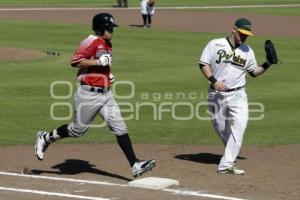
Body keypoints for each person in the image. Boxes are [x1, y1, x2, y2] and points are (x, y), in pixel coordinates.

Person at [35, 13, 156, 178]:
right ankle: (46, 137)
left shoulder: (108, 44)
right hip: (88, 95)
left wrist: (107, 76)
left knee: (120, 127)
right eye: (109, 28)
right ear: (100, 28)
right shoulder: (90, 41)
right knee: (78, 130)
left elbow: (102, 65)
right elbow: (76, 61)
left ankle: (135, 164)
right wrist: (98, 62)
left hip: (106, 94)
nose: (112, 31)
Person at [198, 18, 277, 175]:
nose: (244, 37)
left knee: (239, 128)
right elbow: (203, 64)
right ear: (234, 29)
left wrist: (267, 63)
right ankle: (231, 153)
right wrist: (214, 81)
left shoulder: (248, 51)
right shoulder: (215, 44)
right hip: (216, 94)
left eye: (247, 35)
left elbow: (254, 72)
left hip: (238, 95)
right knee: (220, 128)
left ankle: (226, 165)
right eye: (241, 33)